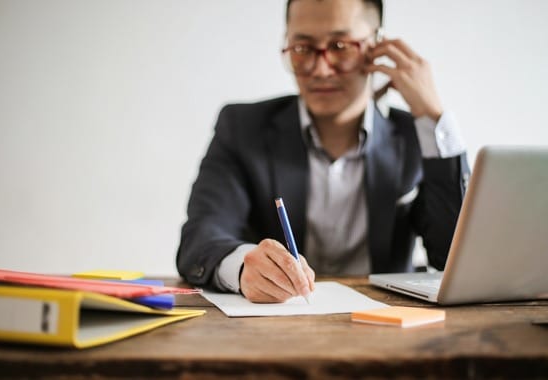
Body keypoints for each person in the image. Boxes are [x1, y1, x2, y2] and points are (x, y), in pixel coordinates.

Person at [177, 0, 469, 303]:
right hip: (275, 328)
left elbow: (456, 257)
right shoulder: (242, 127)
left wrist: (432, 117)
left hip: (388, 326)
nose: (320, 68)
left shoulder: (416, 135)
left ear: (377, 47)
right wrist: (242, 266)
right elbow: (201, 237)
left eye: (341, 45)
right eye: (303, 48)